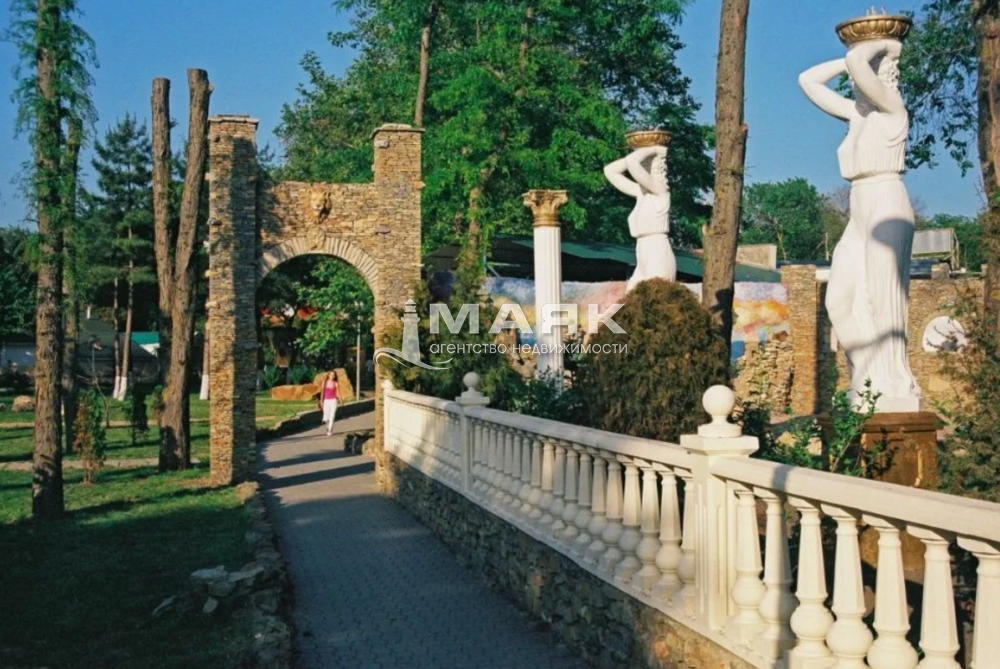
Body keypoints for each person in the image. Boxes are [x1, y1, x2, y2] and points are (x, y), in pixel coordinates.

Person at [799, 32, 921, 411]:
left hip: (886, 202)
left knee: (883, 303)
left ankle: (891, 383)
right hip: (859, 208)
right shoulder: (857, 115)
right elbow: (808, 81)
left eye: (866, 72)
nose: (856, 80)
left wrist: (883, 46)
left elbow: (856, 62)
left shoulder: (893, 111)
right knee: (839, 301)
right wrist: (853, 57)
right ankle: (866, 375)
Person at [603, 144, 675, 291]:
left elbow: (632, 162)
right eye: (643, 165)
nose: (643, 170)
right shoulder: (640, 193)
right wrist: (646, 152)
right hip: (642, 251)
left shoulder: (661, 192)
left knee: (656, 298)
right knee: (632, 296)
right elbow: (610, 171)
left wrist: (654, 150)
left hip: (657, 252)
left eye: (648, 164)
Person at [319, 371, 340, 436]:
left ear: (335, 376)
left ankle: (330, 430)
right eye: (331, 374)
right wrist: (321, 401)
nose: (332, 376)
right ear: (328, 375)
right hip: (326, 401)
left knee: (332, 416)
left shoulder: (336, 383)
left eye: (333, 375)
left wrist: (340, 400)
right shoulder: (324, 382)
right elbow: (322, 392)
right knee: (326, 417)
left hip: (333, 401)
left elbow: (338, 393)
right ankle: (328, 427)